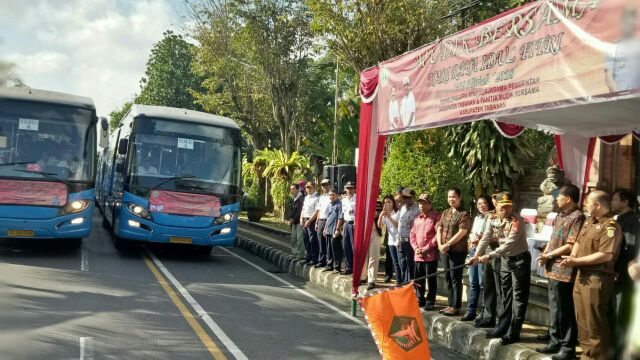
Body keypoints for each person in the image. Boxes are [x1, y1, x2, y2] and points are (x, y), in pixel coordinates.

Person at [559, 190, 622, 360]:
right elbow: (578, 241)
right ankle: (587, 355)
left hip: (597, 278)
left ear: (598, 205)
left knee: (595, 324)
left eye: (588, 203)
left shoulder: (610, 226)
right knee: (583, 322)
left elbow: (606, 255)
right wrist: (573, 257)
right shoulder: (588, 221)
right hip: (581, 277)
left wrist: (576, 262)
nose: (585, 206)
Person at [472, 191, 531, 345]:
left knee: (518, 298)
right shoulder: (493, 219)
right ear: (496, 206)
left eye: (508, 207)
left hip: (519, 261)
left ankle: (514, 332)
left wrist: (490, 256)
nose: (506, 210)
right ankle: (502, 326)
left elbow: (508, 244)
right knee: (505, 294)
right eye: (503, 207)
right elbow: (486, 237)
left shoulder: (517, 221)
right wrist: (476, 255)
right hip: (505, 260)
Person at [536, 185, 584, 360]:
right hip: (551, 266)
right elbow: (552, 238)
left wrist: (549, 254)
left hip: (564, 268)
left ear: (568, 198)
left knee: (565, 308)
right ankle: (555, 340)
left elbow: (571, 245)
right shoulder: (560, 215)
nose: (556, 199)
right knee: (555, 307)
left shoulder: (577, 217)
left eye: (559, 197)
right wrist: (544, 255)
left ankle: (567, 346)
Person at [609, 188, 640, 360]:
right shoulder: (619, 219)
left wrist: (617, 271)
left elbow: (630, 250)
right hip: (614, 274)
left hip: (622, 276)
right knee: (613, 314)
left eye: (615, 199)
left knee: (621, 315)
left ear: (625, 202)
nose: (612, 203)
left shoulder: (631, 222)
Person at [437, 188, 470, 317]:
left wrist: (447, 244)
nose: (451, 199)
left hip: (457, 251)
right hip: (444, 250)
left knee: (456, 278)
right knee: (448, 278)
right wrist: (440, 244)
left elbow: (462, 232)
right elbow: (439, 228)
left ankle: (456, 306)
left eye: (454, 197)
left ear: (460, 198)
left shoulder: (464, 214)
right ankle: (450, 304)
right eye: (449, 197)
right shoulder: (446, 212)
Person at [474, 192, 503, 329]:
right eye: (493, 198)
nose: (494, 200)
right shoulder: (489, 216)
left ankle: (500, 320)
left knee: (499, 287)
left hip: (498, 254)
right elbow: (486, 236)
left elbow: (502, 237)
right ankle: (488, 316)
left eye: (496, 198)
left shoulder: (507, 216)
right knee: (487, 285)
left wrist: (488, 238)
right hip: (486, 253)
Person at [464, 195, 495, 322]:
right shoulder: (477, 218)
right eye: (479, 204)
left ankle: (483, 313)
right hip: (473, 250)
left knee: (483, 283)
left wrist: (479, 240)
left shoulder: (491, 218)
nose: (481, 206)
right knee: (473, 282)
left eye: (484, 203)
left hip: (483, 252)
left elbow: (488, 235)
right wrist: (472, 238)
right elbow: (471, 232)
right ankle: (470, 311)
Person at [410, 194, 441, 309]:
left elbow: (437, 236)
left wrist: (426, 249)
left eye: (424, 203)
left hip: (430, 255)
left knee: (431, 279)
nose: (422, 205)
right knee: (418, 279)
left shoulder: (436, 217)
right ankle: (420, 298)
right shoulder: (417, 218)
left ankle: (430, 301)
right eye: (420, 203)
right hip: (418, 255)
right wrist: (416, 248)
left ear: (430, 204)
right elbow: (412, 235)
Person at [605, 6, 640, 93]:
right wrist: (621, 96)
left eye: (631, 22)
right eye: (627, 22)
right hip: (619, 101)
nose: (629, 25)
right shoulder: (612, 47)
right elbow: (609, 79)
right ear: (622, 23)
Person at [397, 188, 420, 283]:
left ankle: (409, 287)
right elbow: (399, 224)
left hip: (410, 241)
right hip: (400, 240)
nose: (407, 200)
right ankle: (403, 285)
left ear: (413, 197)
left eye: (409, 198)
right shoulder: (402, 208)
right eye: (405, 197)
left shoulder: (417, 210)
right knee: (402, 265)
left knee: (410, 266)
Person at [378, 195, 401, 285]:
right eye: (385, 202)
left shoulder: (398, 212)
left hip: (399, 240)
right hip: (391, 241)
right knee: (395, 262)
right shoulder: (384, 213)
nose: (387, 204)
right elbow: (380, 226)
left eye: (389, 202)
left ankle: (401, 280)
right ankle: (399, 282)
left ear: (393, 203)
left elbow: (398, 225)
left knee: (400, 262)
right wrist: (381, 215)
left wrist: (390, 217)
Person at [362, 203, 384, 290]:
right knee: (363, 257)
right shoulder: (363, 200)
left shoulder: (378, 202)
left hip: (375, 232)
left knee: (373, 257)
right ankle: (362, 277)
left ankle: (371, 280)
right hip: (363, 232)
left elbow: (377, 214)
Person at [324, 189, 344, 274]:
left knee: (336, 249)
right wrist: (325, 228)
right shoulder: (329, 205)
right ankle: (329, 265)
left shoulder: (339, 205)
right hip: (328, 229)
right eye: (330, 195)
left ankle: (337, 267)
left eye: (333, 195)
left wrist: (337, 229)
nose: (331, 196)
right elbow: (327, 218)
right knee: (329, 249)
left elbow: (340, 217)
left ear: (337, 195)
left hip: (335, 230)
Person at [301, 181, 320, 266]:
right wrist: (301, 218)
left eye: (310, 187)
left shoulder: (316, 198)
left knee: (313, 240)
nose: (308, 189)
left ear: (314, 188)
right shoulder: (306, 197)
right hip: (305, 219)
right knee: (306, 240)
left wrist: (310, 220)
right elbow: (303, 209)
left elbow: (317, 211)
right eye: (307, 187)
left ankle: (314, 258)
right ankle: (308, 257)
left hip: (312, 220)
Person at [316, 179, 333, 271]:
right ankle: (321, 260)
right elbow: (319, 210)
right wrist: (317, 221)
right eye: (323, 185)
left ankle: (329, 263)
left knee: (328, 243)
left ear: (329, 186)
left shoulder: (332, 196)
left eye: (326, 185)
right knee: (320, 241)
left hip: (329, 221)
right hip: (321, 221)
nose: (325, 187)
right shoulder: (321, 197)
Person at [341, 181, 357, 275]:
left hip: (354, 224)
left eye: (351, 188)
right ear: (345, 189)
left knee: (353, 247)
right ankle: (348, 267)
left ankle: (355, 269)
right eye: (348, 188)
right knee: (346, 246)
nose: (349, 190)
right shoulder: (344, 200)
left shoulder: (358, 198)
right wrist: (342, 226)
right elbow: (343, 214)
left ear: (354, 189)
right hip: (346, 224)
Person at [289, 184, 306, 260]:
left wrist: (294, 219)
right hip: (293, 222)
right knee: (293, 238)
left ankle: (300, 254)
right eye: (291, 189)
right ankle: (294, 253)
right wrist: (290, 218)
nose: (291, 190)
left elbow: (300, 211)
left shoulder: (301, 198)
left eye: (293, 189)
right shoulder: (293, 198)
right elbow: (292, 210)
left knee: (299, 239)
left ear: (298, 189)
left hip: (299, 222)